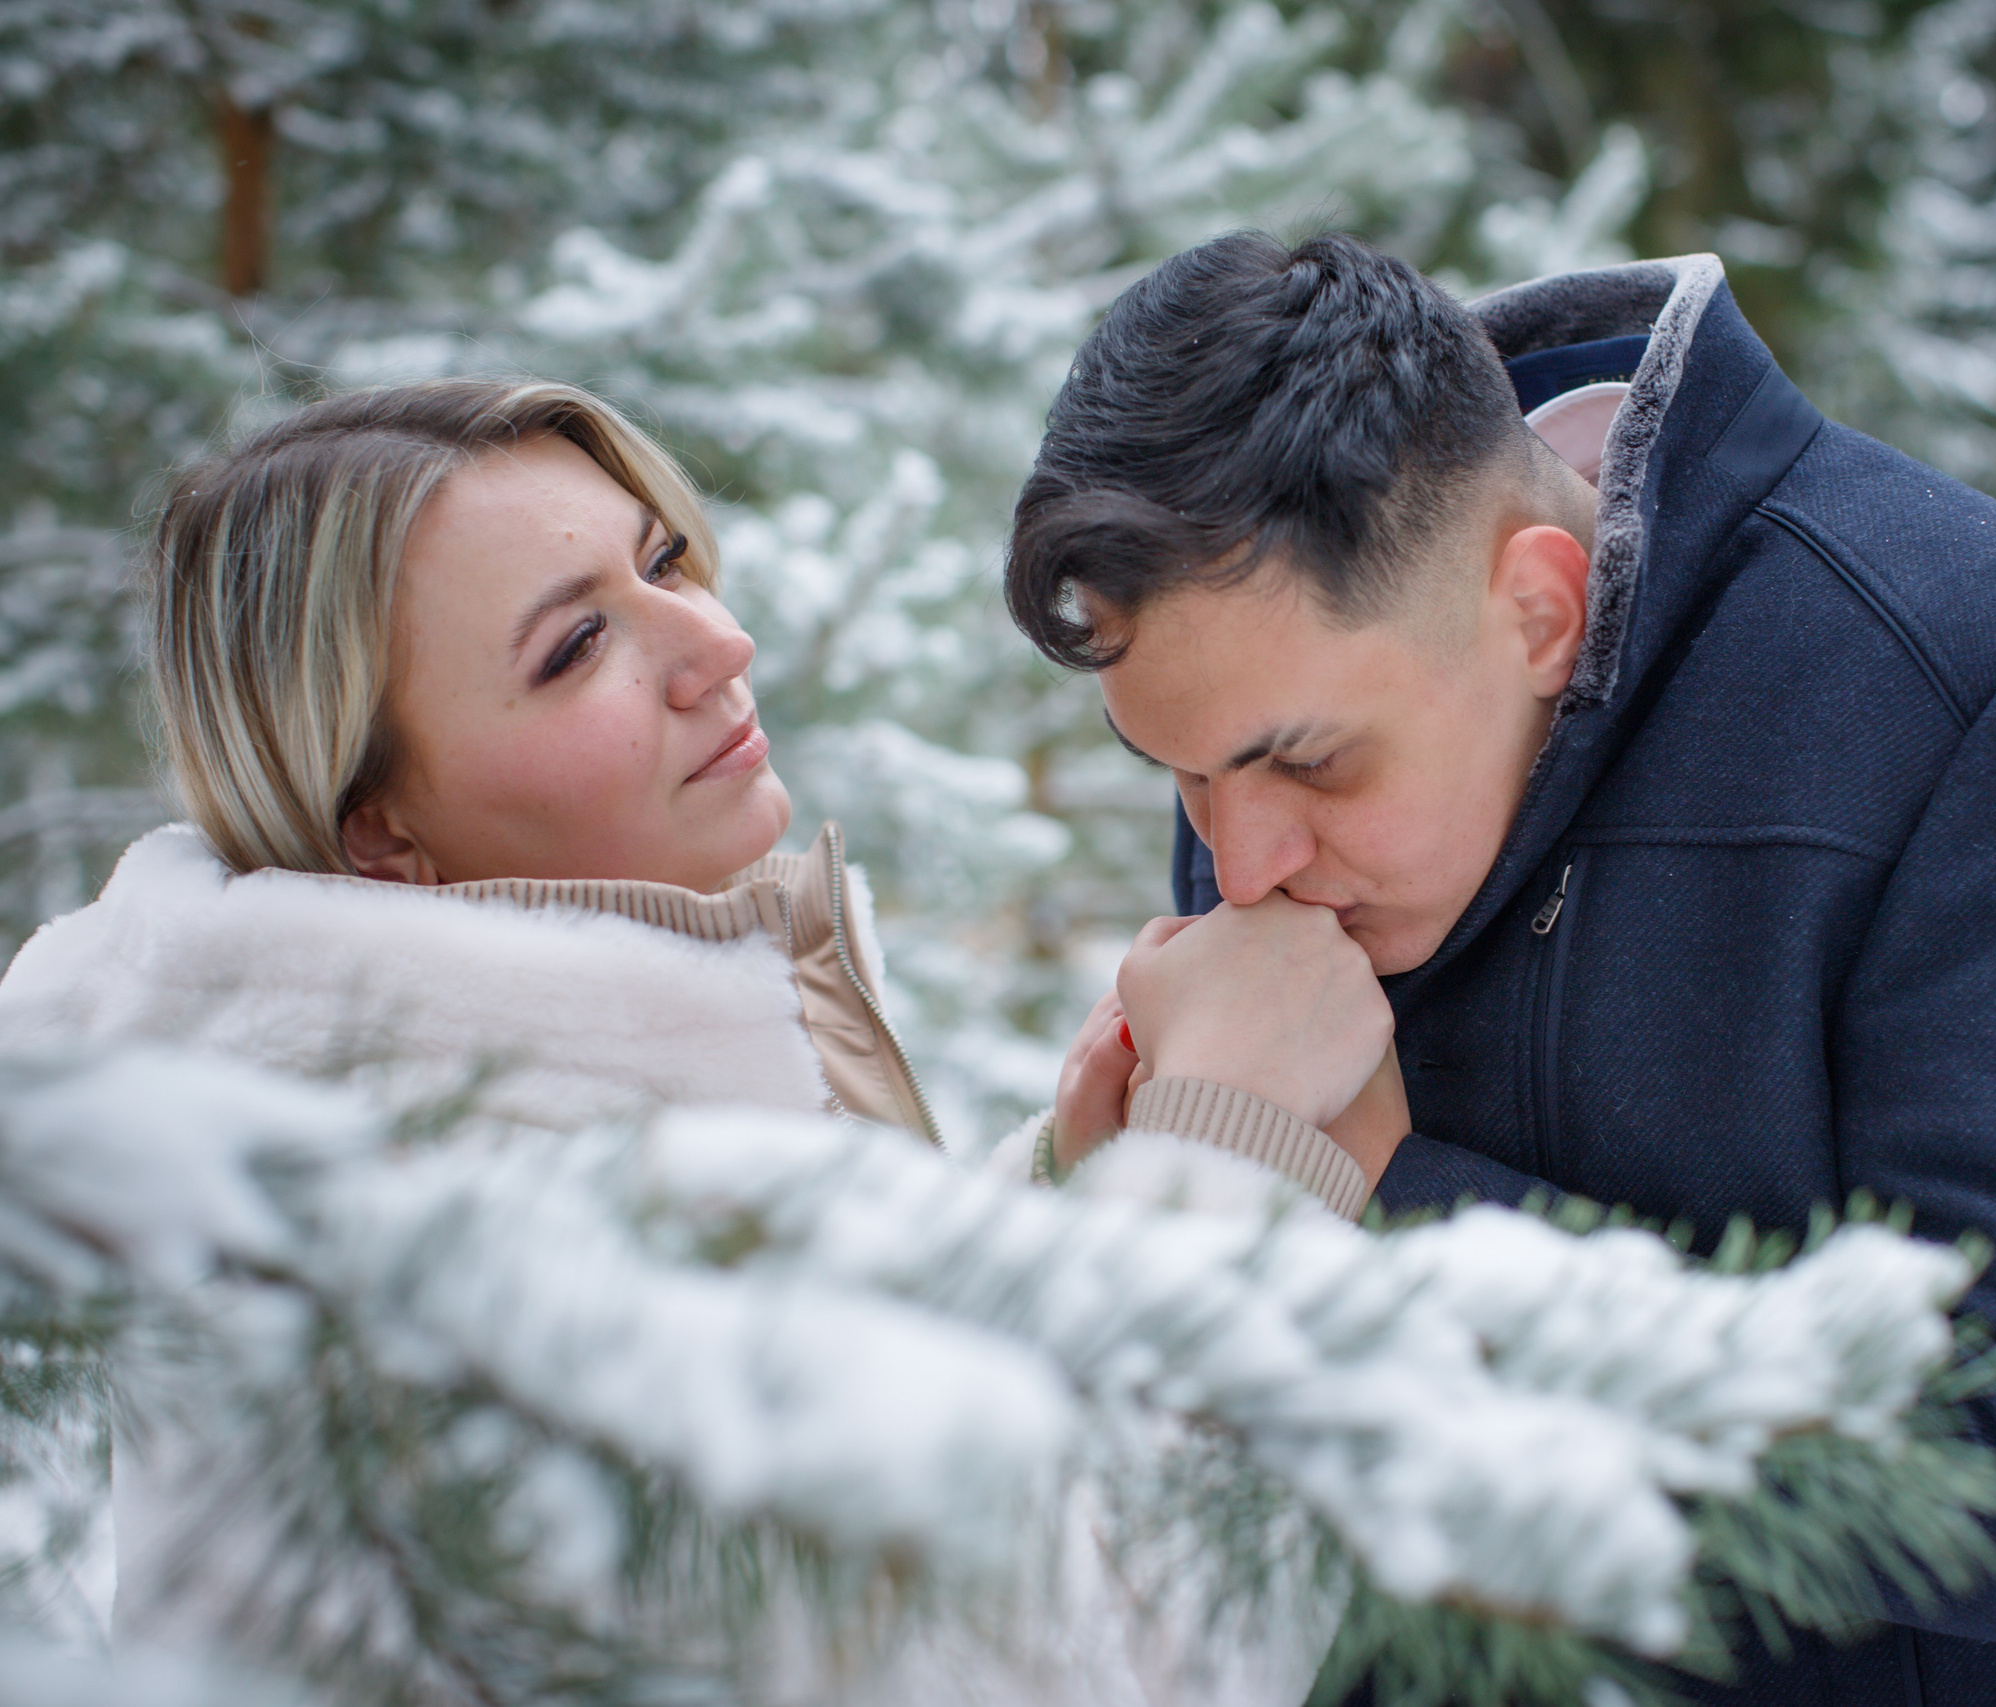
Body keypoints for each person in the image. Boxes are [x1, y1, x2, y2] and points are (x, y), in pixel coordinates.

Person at [1006, 232, 1996, 1706]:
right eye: (1182, 774)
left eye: (1304, 763)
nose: (1242, 863)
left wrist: (1400, 1213)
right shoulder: (1277, 685)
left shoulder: (1993, 686)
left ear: (1543, 608)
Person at [0, 377, 1379, 1703]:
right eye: (574, 646)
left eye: (662, 560)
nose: (717, 643)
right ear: (382, 836)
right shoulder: (464, 1286)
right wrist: (1228, 1155)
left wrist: (1045, 1214)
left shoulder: (411, 1120)